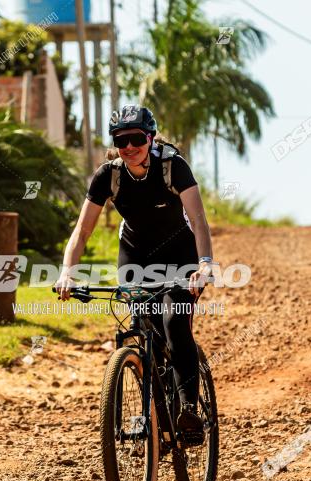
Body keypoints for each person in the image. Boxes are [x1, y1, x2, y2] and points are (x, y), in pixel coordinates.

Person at [56, 105, 215, 444]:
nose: (129, 147)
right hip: (136, 257)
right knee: (144, 327)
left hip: (179, 256)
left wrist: (204, 264)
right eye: (121, 140)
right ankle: (154, 402)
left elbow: (199, 221)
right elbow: (81, 232)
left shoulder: (173, 166)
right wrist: (67, 272)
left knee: (174, 321)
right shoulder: (108, 176)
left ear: (151, 137)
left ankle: (188, 409)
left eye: (136, 139)